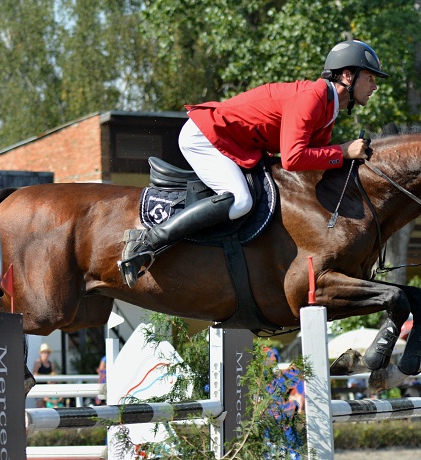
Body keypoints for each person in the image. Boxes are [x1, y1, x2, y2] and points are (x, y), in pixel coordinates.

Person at [119, 39, 388, 286]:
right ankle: (147, 240)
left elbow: (312, 159)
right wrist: (342, 151)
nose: (374, 86)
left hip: (235, 143)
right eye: (370, 78)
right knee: (240, 201)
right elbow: (293, 158)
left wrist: (343, 155)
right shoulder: (313, 97)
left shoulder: (328, 108)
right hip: (205, 135)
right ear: (348, 76)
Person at [32, 343, 57, 408]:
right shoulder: (38, 362)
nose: (46, 354)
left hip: (49, 390)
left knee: (50, 407)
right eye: (44, 352)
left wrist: (51, 380)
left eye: (47, 352)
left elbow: (55, 376)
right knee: (40, 407)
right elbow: (34, 375)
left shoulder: (51, 364)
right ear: (41, 353)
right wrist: (47, 377)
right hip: (39, 388)